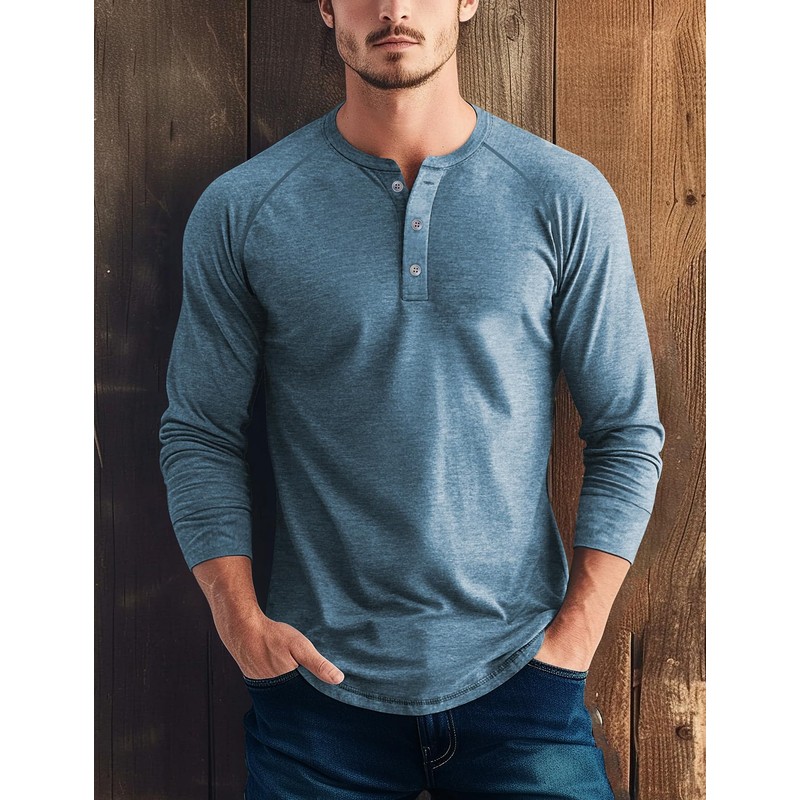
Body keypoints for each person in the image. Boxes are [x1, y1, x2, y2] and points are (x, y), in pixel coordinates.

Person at [158, 0, 666, 797]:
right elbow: (200, 431)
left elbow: (627, 430)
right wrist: (240, 622)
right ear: (327, 6)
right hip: (314, 693)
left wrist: (576, 635)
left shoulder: (563, 194)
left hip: (523, 683)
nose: (394, 7)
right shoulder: (245, 207)